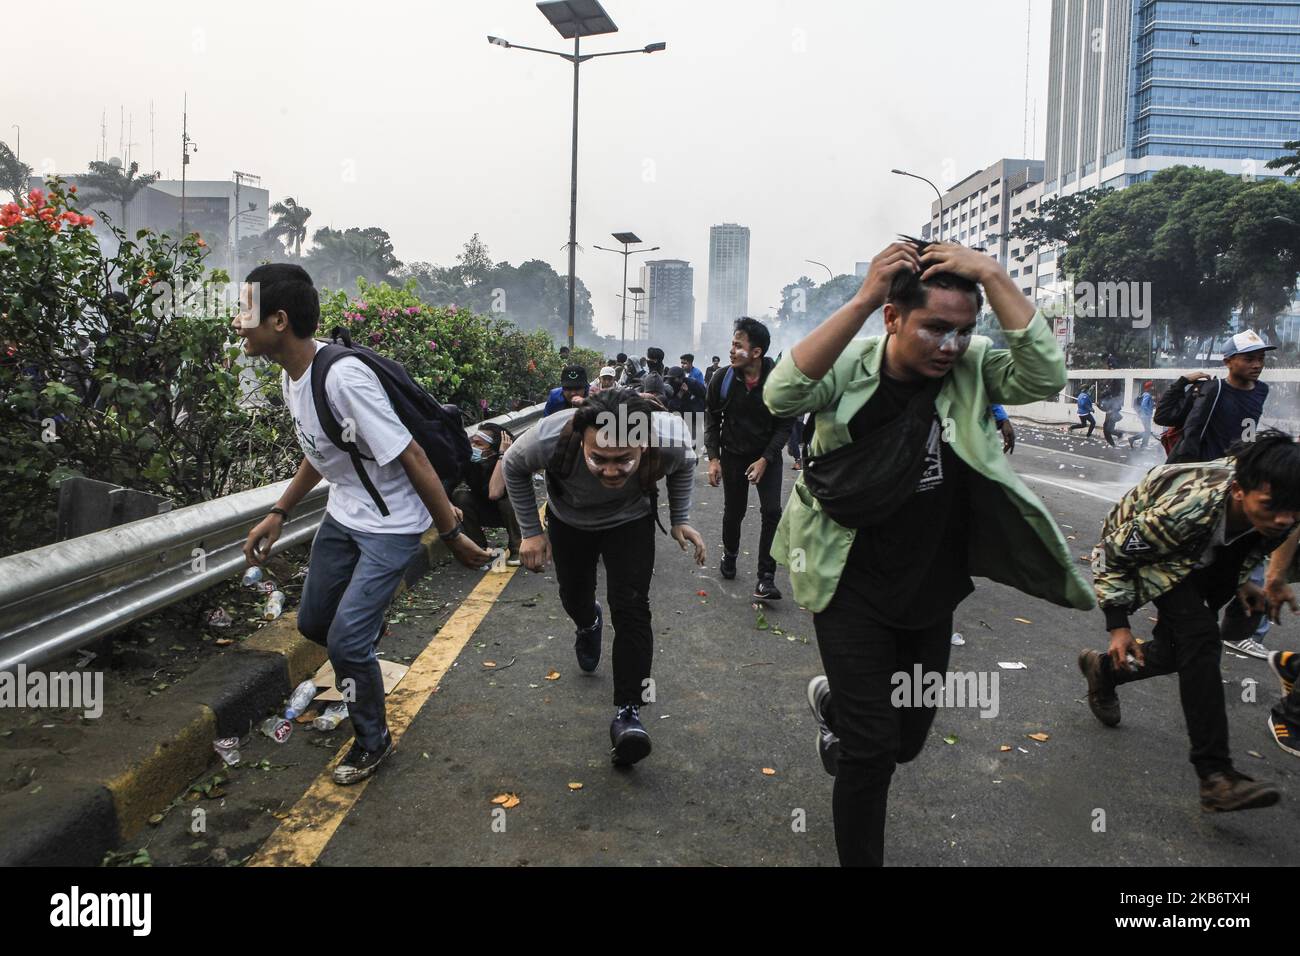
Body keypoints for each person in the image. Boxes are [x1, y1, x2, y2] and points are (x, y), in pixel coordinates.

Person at [766, 238, 1093, 866]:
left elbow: (1046, 375)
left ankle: (836, 705)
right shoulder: (852, 363)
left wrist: (993, 273)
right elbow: (781, 396)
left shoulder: (973, 369)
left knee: (906, 741)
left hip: (932, 585)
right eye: (935, 327)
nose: (950, 345)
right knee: (870, 754)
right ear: (894, 317)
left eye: (962, 331)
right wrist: (863, 296)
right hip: (846, 578)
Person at [234, 264, 492, 786]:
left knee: (347, 643)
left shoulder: (343, 378)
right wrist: (278, 512)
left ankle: (372, 742)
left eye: (244, 311)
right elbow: (321, 449)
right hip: (345, 514)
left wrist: (450, 534)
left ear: (279, 320)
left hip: (392, 523)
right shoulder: (294, 378)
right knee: (313, 625)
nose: (237, 323)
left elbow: (413, 455)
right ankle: (363, 634)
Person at [1077, 431, 1299, 812]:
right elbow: (1110, 553)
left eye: (1294, 511)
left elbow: (1246, 543)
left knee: (1177, 653)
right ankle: (1216, 776)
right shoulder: (1187, 509)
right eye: (1273, 507)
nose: (1284, 520)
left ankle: (1104, 672)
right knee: (1202, 640)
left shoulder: (1280, 510)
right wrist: (1118, 625)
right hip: (1155, 557)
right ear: (1239, 491)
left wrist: (1245, 580)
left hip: (1202, 562)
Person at [503, 388, 706, 766]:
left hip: (631, 521)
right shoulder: (551, 435)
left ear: (643, 446)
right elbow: (511, 466)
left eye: (623, 460)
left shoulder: (670, 437)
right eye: (599, 459)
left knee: (631, 607)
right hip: (570, 522)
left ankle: (629, 713)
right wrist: (531, 532)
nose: (610, 471)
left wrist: (680, 519)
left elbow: (686, 464)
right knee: (574, 595)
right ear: (581, 441)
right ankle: (587, 621)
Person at [1154, 329, 1276, 659]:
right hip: (1203, 484)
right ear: (1228, 361)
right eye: (1249, 358)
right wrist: (1182, 381)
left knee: (1249, 551)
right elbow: (1164, 418)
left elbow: (1247, 435)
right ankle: (1177, 621)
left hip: (1239, 484)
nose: (1257, 364)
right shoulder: (1211, 388)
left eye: (1261, 358)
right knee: (1196, 553)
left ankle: (1241, 630)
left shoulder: (1261, 391)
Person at [705, 317, 794, 602]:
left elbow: (785, 425)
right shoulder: (723, 379)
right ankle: (730, 554)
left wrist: (766, 459)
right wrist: (714, 458)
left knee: (771, 512)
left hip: (766, 455)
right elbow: (711, 419)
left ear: (756, 352)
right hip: (732, 455)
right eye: (732, 344)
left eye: (737, 345)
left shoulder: (779, 381)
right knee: (735, 512)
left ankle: (765, 578)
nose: (732, 350)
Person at [451, 422, 521, 566]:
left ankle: (517, 547)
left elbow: (495, 493)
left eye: (479, 444)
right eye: (472, 443)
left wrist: (502, 457)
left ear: (493, 450)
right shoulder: (469, 463)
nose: (473, 448)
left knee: (507, 500)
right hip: (485, 511)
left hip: (511, 514)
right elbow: (448, 484)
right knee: (460, 496)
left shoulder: (511, 463)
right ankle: (478, 548)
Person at [665, 364, 707, 443]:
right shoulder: (669, 387)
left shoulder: (692, 383)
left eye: (675, 379)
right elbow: (670, 406)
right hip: (679, 419)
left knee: (694, 443)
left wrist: (689, 394)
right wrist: (680, 394)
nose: (673, 381)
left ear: (681, 378)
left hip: (694, 417)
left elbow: (704, 396)